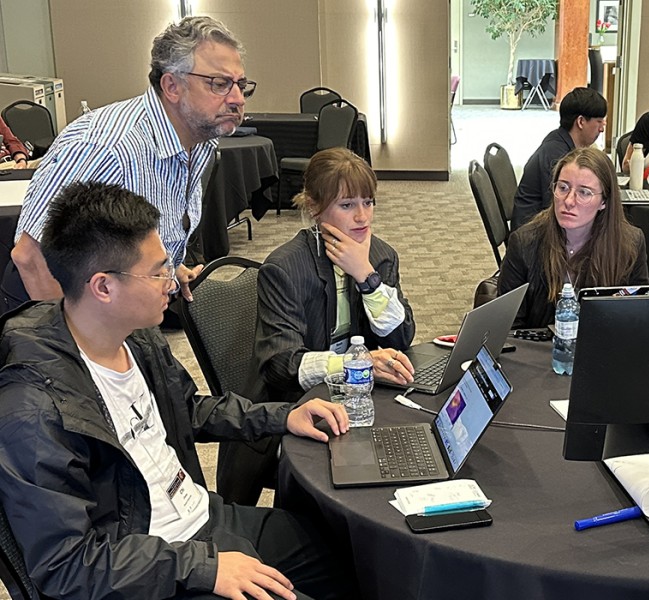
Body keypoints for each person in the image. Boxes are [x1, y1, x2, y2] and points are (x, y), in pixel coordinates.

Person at [0, 181, 359, 600]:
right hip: (147, 569)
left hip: (201, 520)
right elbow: (67, 565)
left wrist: (282, 416)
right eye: (158, 271)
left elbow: (186, 409)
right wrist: (205, 568)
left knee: (357, 555)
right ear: (103, 287)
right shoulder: (32, 408)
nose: (173, 282)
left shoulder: (136, 335)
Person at [3, 15, 253, 311]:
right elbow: (31, 259)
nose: (238, 99)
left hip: (118, 309)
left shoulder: (200, 141)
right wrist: (78, 351)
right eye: (220, 84)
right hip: (50, 317)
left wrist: (169, 269)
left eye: (241, 85)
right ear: (172, 86)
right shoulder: (103, 147)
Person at [218, 147, 416, 505]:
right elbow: (283, 366)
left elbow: (401, 338)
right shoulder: (285, 267)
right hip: (292, 409)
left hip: (355, 399)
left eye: (368, 202)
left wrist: (366, 276)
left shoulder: (380, 255)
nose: (362, 217)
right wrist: (359, 363)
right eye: (346, 205)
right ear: (314, 206)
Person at [498, 147, 649, 328]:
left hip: (603, 349)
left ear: (604, 202)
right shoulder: (524, 243)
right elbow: (508, 327)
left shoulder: (630, 243)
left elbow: (639, 317)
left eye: (584, 192)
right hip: (540, 351)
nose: (569, 201)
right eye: (563, 188)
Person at [510, 87, 607, 231]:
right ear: (581, 122)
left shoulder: (558, 140)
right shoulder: (557, 157)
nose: (602, 129)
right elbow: (560, 208)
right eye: (599, 121)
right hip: (534, 235)